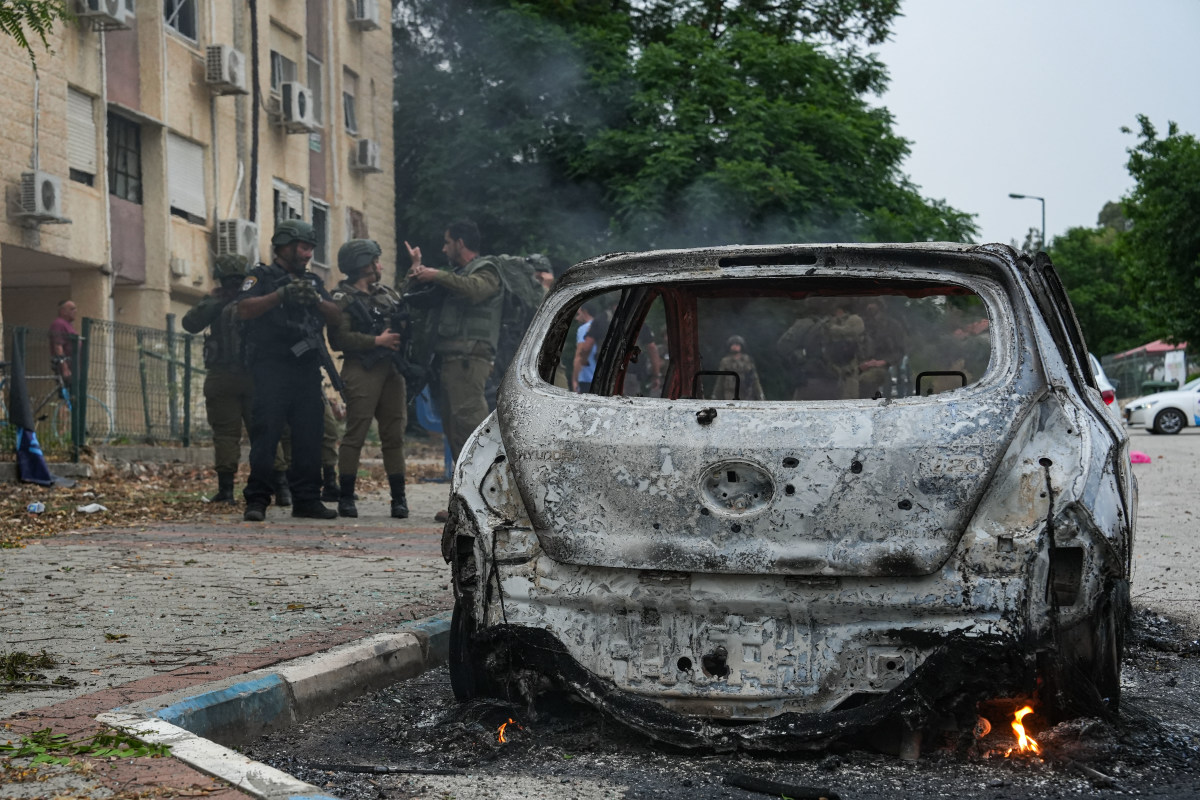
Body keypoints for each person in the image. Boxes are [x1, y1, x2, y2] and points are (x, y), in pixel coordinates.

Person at [237, 219, 342, 522]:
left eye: (311, 248)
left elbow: (337, 316)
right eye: (304, 247)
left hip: (306, 369)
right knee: (266, 436)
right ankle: (257, 500)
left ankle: (307, 499)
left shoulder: (312, 282)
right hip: (271, 368)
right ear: (284, 245)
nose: (308, 254)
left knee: (310, 437)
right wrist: (279, 296)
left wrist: (316, 300)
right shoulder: (262, 277)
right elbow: (244, 309)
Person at [403, 220, 502, 464]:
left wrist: (436, 274)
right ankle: (467, 495)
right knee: (455, 434)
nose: (444, 249)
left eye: (447, 243)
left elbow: (476, 289)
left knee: (474, 433)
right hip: (449, 364)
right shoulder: (455, 276)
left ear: (460, 243)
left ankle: (493, 492)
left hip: (468, 362)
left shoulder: (487, 269)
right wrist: (417, 269)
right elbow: (412, 299)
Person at [328, 239, 410, 519]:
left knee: (394, 435)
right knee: (356, 434)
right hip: (361, 368)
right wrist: (377, 340)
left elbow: (404, 313)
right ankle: (346, 497)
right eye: (376, 260)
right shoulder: (342, 297)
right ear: (364, 264)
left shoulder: (386, 293)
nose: (380, 265)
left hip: (391, 370)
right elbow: (339, 339)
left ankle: (399, 499)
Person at [182, 255, 256, 504]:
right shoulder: (256, 300)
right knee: (265, 432)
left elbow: (190, 323)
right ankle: (279, 488)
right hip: (255, 376)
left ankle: (226, 491)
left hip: (222, 376)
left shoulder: (216, 302)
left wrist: (212, 300)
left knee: (225, 434)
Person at [714, 335, 764, 401]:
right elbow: (720, 380)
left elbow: (755, 379)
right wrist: (715, 395)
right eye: (733, 344)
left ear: (741, 346)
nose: (735, 346)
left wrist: (760, 394)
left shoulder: (747, 360)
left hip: (746, 393)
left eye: (737, 344)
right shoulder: (725, 361)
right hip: (730, 393)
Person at [572, 302, 601, 393]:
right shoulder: (600, 326)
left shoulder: (584, 328)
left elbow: (579, 355)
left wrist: (575, 380)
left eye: (578, 314)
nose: (576, 318)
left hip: (587, 379)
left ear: (585, 312)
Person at [48, 299, 78, 386]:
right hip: (67, 369)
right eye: (72, 309)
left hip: (75, 368)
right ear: (63, 311)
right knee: (69, 396)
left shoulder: (68, 325)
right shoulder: (59, 324)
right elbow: (58, 346)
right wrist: (64, 367)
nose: (75, 311)